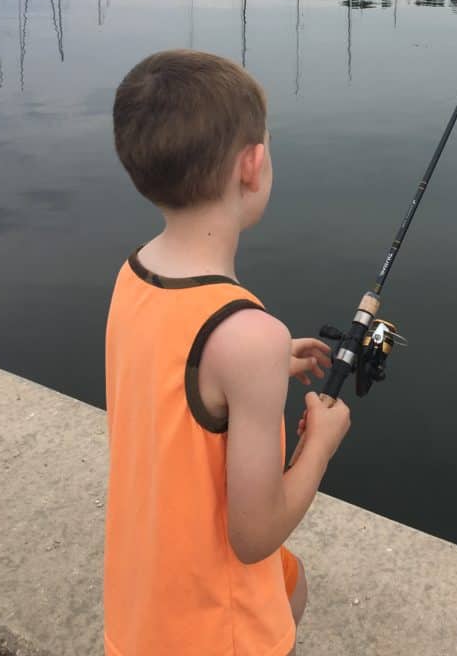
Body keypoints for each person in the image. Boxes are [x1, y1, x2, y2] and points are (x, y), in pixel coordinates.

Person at [105, 49, 351, 656]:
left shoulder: (132, 275)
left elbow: (179, 381)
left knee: (292, 586)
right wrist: (318, 445)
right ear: (253, 164)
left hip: (139, 610)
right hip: (216, 636)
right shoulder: (248, 336)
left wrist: (256, 372)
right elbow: (255, 535)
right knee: (277, 580)